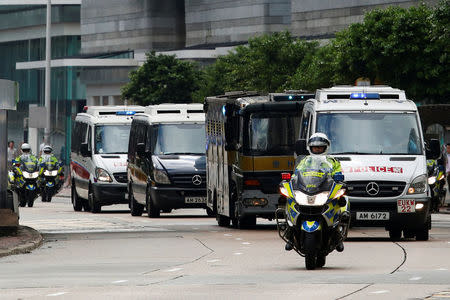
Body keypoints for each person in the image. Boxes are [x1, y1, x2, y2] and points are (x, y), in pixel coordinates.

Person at [285, 132, 345, 252]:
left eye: (320, 147)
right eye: (315, 147)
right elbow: (296, 173)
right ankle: (290, 233)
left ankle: (337, 234)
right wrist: (292, 179)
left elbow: (340, 174)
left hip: (324, 190)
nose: (317, 149)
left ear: (326, 147)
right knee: (289, 200)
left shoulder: (333, 161)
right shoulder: (305, 161)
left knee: (343, 202)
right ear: (310, 148)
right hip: (308, 189)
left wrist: (338, 178)